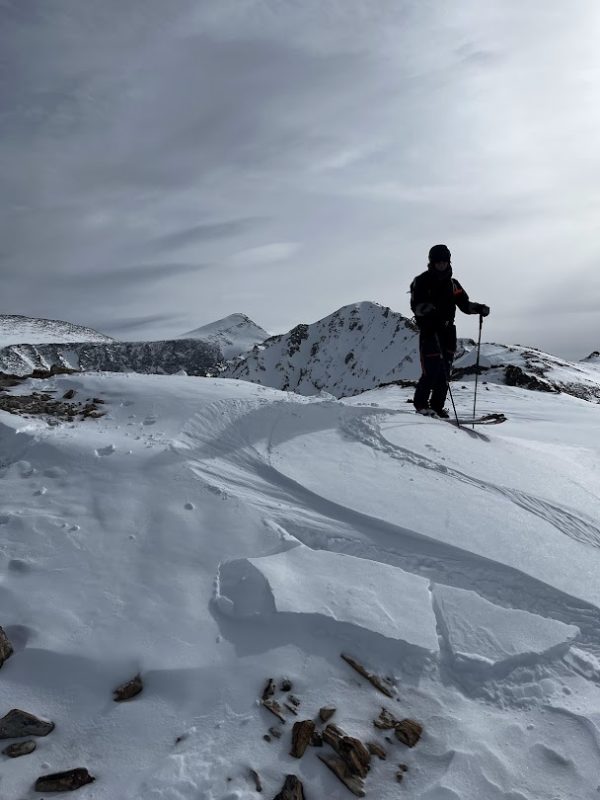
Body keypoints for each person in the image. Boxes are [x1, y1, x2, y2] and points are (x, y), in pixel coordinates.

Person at [410, 244, 489, 418]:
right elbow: (415, 305)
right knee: (431, 370)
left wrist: (479, 308)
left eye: (444, 261)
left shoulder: (454, 285)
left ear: (449, 261)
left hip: (448, 331)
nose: (441, 265)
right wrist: (425, 309)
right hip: (430, 330)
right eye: (438, 261)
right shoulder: (422, 281)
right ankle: (421, 405)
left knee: (445, 372)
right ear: (432, 262)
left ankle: (437, 407)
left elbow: (465, 305)